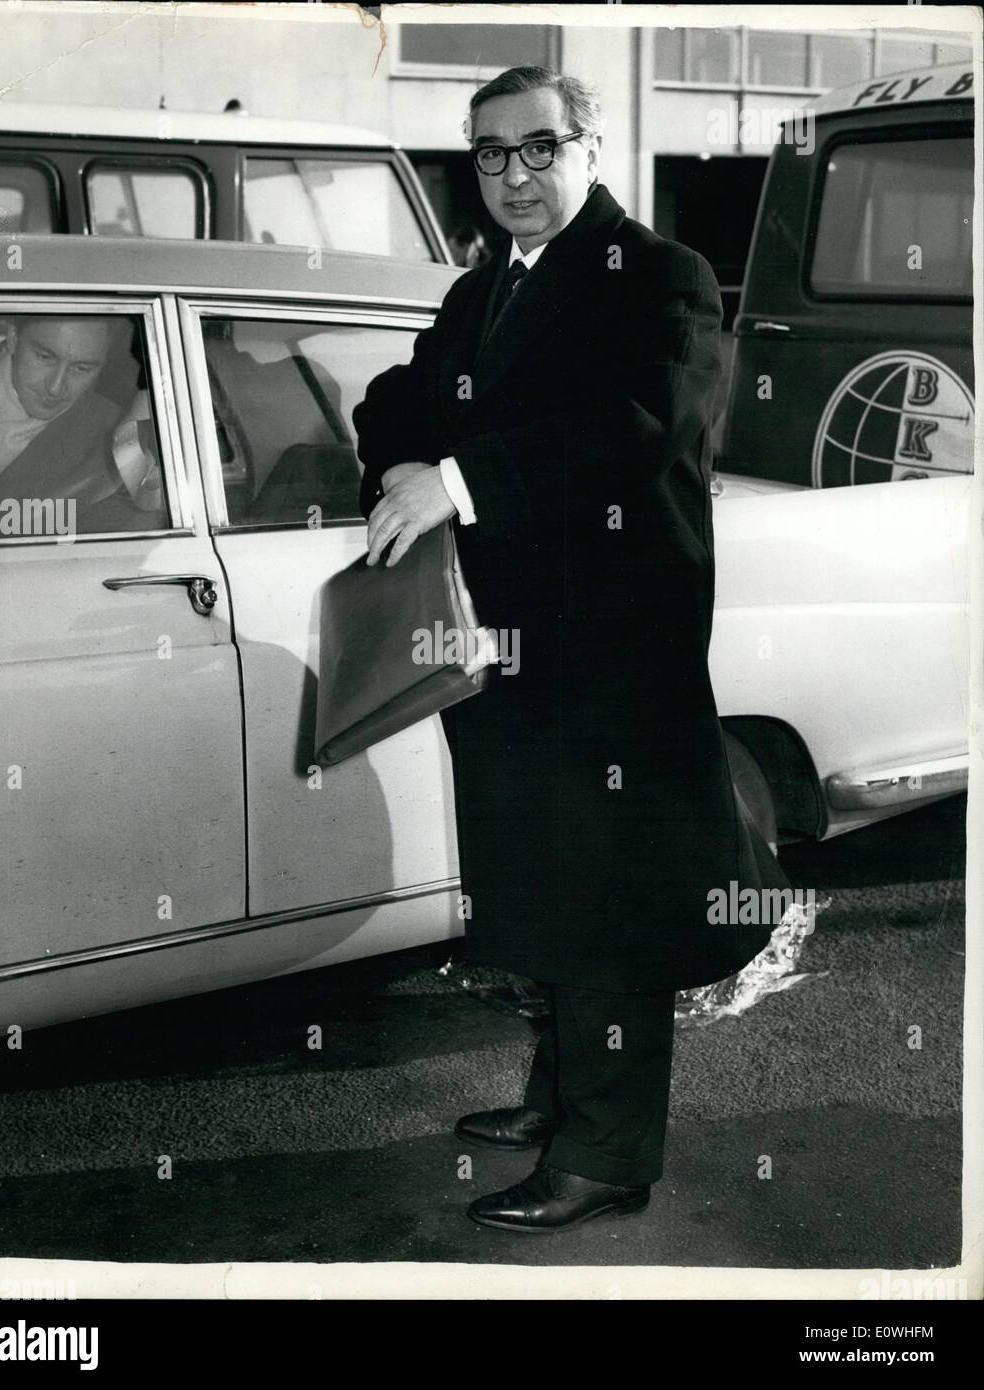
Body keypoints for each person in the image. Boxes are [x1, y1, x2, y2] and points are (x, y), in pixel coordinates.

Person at [352, 66, 793, 1233]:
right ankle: (559, 1096)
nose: (515, 177)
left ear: (590, 146)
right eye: (490, 156)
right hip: (511, 653)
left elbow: (634, 428)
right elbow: (403, 392)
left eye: (539, 148)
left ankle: (605, 1157)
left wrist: (456, 478)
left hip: (611, 660)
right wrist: (401, 460)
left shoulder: (660, 277)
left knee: (608, 906)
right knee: (546, 890)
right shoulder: (485, 286)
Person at [0, 315, 162, 534]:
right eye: (44, 357)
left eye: (82, 368)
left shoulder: (110, 433)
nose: (56, 388)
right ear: (12, 337)